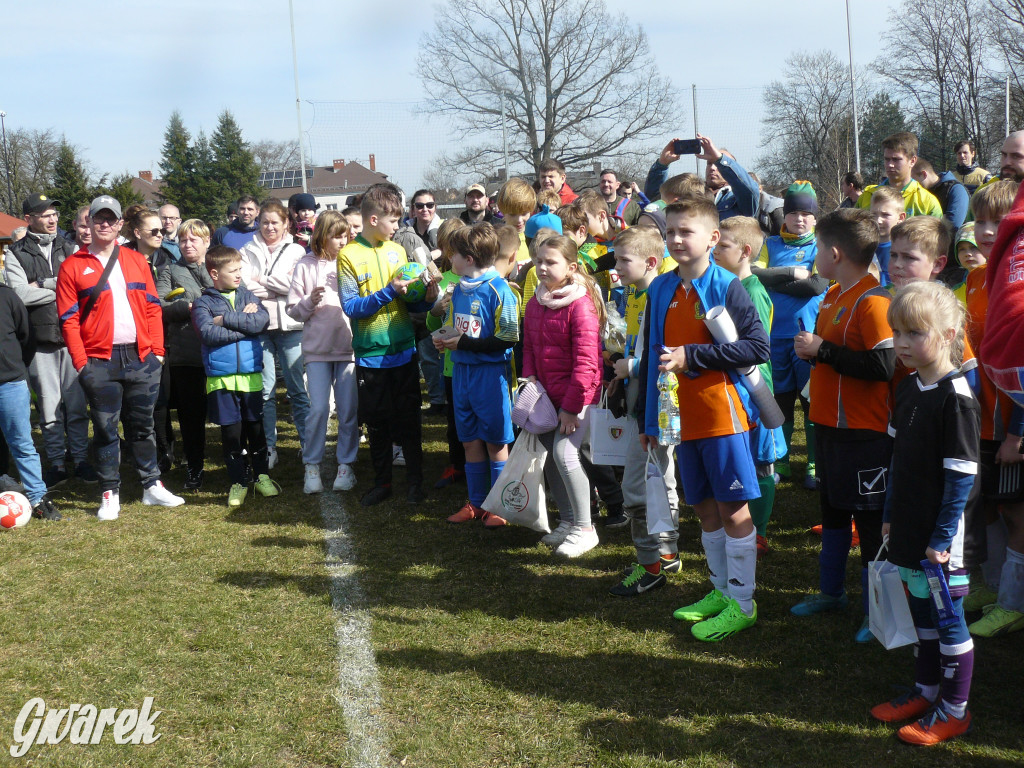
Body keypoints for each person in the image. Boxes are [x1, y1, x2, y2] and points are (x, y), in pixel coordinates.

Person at [638, 197, 768, 641]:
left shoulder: (728, 286)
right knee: (701, 507)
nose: (676, 239)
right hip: (679, 418)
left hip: (722, 417)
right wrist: (649, 423)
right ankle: (719, 591)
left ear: (713, 239)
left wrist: (693, 355)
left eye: (685, 231)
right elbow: (651, 356)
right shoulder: (659, 288)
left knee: (733, 510)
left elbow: (757, 347)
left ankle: (743, 602)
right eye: (670, 231)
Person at [870, 280, 978, 746]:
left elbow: (961, 480)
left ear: (950, 333)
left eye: (916, 332)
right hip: (910, 530)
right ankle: (927, 690)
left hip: (942, 543)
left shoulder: (957, 400)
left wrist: (940, 537)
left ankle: (955, 710)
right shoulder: (909, 387)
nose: (903, 343)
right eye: (898, 332)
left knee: (948, 617)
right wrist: (891, 512)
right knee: (923, 616)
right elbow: (898, 460)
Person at [790, 208, 894, 640]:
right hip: (828, 427)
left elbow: (884, 365)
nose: (815, 254)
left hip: (864, 434)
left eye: (817, 247)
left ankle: (881, 611)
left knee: (870, 525)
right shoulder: (834, 293)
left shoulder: (874, 300)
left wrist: (822, 351)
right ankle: (832, 593)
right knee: (832, 513)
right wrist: (813, 351)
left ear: (834, 252)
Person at [56, 195, 185, 520]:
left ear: (118, 224)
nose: (104, 223)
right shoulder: (72, 266)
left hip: (141, 358)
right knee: (105, 429)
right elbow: (68, 320)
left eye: (110, 218)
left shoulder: (136, 260)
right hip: (98, 362)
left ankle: (151, 486)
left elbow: (153, 307)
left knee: (143, 427)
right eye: (98, 218)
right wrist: (81, 363)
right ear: (89, 223)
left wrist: (156, 352)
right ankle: (109, 492)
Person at [338, 183, 438, 506]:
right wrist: (390, 290)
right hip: (371, 356)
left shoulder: (397, 251)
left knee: (409, 421)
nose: (398, 227)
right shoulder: (348, 256)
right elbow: (352, 307)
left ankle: (414, 482)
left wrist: (426, 296)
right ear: (372, 219)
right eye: (393, 221)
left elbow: (410, 303)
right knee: (378, 424)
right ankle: (382, 482)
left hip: (404, 352)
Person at [606, 227, 680, 595]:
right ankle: (667, 551)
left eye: (623, 260)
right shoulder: (636, 293)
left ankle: (650, 566)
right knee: (659, 478)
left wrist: (633, 368)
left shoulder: (661, 294)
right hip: (645, 403)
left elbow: (663, 353)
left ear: (651, 261)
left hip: (655, 406)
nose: (616, 268)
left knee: (636, 489)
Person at [965, 180, 1024, 638]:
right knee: (986, 503)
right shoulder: (973, 280)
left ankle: (1012, 600)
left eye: (997, 222)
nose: (987, 231)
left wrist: (1015, 433)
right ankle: (993, 584)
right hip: (978, 418)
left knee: (1014, 510)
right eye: (980, 220)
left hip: (1010, 421)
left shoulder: (1014, 285)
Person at [5, 193, 93, 487]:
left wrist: (43, 283)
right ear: (29, 219)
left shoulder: (70, 247)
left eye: (55, 213)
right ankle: (56, 462)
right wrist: (63, 287)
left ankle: (80, 460)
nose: (53, 219)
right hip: (39, 340)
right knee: (49, 406)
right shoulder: (17, 252)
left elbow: (82, 286)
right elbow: (19, 295)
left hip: (73, 338)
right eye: (45, 215)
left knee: (77, 403)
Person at [434, 223, 519, 528]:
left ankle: (501, 505)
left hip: (490, 376)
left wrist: (465, 343)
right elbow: (458, 327)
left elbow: (509, 337)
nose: (449, 259)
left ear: (468, 258)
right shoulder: (457, 288)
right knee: (469, 439)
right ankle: (477, 502)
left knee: (496, 442)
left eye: (453, 254)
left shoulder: (500, 290)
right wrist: (444, 339)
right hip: (462, 374)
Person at [523, 235, 604, 556]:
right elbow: (528, 346)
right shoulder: (535, 301)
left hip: (578, 399)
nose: (542, 267)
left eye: (550, 262)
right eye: (539, 260)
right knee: (551, 461)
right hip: (546, 398)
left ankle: (586, 528)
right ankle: (569, 521)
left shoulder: (580, 306)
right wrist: (530, 378)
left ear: (571, 268)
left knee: (566, 456)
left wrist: (572, 409)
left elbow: (587, 363)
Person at [752, 181, 828, 490]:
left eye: (805, 214)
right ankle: (780, 459)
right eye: (793, 213)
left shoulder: (819, 246)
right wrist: (793, 275)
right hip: (773, 337)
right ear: (785, 216)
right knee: (780, 401)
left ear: (814, 219)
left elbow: (816, 286)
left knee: (811, 404)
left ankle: (813, 462)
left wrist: (776, 280)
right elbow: (754, 273)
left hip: (808, 337)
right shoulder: (770, 244)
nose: (799, 219)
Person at [191, 246, 278, 508]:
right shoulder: (203, 302)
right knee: (231, 435)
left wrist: (227, 319)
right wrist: (244, 325)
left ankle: (262, 476)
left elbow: (261, 322)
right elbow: (208, 334)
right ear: (215, 274)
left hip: (251, 376)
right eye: (233, 271)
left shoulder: (248, 295)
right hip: (221, 379)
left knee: (256, 430)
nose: (239, 274)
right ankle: (238, 481)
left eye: (241, 269)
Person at [718, 216, 785, 557]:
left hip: (756, 389)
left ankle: (759, 531)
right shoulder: (729, 285)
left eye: (722, 245)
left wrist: (758, 397)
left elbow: (758, 350)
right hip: (737, 387)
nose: (715, 250)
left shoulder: (753, 293)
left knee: (762, 462)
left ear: (745, 252)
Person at [286, 211, 359, 494]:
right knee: (318, 409)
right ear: (322, 236)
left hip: (348, 349)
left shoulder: (350, 261)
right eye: (338, 235)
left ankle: (345, 466)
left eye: (346, 234)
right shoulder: (305, 265)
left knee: (348, 410)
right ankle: (312, 466)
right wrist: (308, 301)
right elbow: (293, 310)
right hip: (317, 351)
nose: (344, 239)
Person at [240, 199, 310, 467]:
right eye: (265, 222)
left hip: (291, 326)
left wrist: (263, 282)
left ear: (286, 224)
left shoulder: (296, 250)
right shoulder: (246, 250)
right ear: (259, 222)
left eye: (275, 222)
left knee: (297, 389)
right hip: (261, 326)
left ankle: (307, 444)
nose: (270, 227)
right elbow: (245, 286)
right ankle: (269, 447)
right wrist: (277, 287)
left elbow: (295, 284)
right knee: (266, 391)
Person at [156, 218, 215, 491]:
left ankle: (239, 463)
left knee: (229, 413)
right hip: (185, 352)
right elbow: (158, 306)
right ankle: (194, 467)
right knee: (191, 417)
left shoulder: (218, 266)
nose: (187, 244)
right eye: (182, 240)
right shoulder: (168, 270)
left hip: (221, 351)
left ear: (207, 242)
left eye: (193, 239)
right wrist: (187, 307)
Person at [0, 281, 61, 521]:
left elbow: (27, 337)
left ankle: (37, 497)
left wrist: (14, 367)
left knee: (22, 443)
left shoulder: (7, 296)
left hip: (9, 383)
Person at [426, 219, 470, 490]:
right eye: (450, 249)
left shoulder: (479, 280)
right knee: (454, 422)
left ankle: (482, 467)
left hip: (476, 364)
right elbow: (433, 327)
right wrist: (436, 311)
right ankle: (456, 465)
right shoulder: (446, 281)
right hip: (451, 367)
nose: (455, 255)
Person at [644, 134, 759, 222]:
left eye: (717, 165)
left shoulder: (737, 199)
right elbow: (655, 198)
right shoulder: (692, 192)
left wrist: (720, 159)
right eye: (709, 163)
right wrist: (662, 165)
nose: (713, 168)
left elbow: (750, 191)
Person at [855, 132, 943, 217]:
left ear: (912, 161)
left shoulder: (927, 202)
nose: (890, 164)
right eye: (887, 159)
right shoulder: (868, 195)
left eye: (896, 159)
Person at [911, 158, 969, 231]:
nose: (911, 184)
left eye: (913, 179)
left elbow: (953, 224)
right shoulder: (921, 192)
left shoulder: (956, 189)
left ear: (924, 174)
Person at [869, 186, 907, 288]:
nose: (878, 221)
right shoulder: (863, 248)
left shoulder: (905, 251)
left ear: (901, 217)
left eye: (885, 215)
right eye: (874, 214)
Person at [495, 178, 536, 267]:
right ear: (503, 211)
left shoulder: (537, 238)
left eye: (524, 213)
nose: (519, 220)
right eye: (513, 214)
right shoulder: (495, 241)